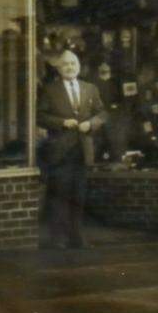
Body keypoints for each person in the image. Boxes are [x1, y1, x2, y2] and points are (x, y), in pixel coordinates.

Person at [36, 50, 105, 249]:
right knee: (59, 195)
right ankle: (58, 239)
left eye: (73, 63)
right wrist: (62, 122)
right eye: (65, 64)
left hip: (83, 149)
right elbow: (40, 116)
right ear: (58, 68)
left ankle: (77, 237)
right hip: (60, 151)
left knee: (79, 196)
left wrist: (91, 124)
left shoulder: (90, 89)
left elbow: (102, 114)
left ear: (79, 66)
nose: (70, 67)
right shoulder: (50, 90)